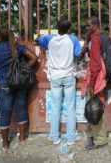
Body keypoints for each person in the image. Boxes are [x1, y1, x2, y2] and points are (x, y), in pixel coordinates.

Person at [0, 29, 38, 149]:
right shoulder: (18, 48)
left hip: (4, 84)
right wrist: (23, 68)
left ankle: (5, 143)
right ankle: (22, 138)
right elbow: (34, 58)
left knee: (5, 113)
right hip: (19, 83)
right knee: (21, 109)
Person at [36, 19, 82, 147]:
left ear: (57, 28)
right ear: (69, 29)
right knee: (70, 107)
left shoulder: (49, 39)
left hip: (55, 76)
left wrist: (39, 37)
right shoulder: (73, 39)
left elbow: (37, 40)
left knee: (55, 107)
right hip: (68, 75)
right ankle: (71, 137)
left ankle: (54, 136)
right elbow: (78, 55)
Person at [83, 16, 109, 150]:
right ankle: (101, 135)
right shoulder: (103, 37)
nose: (86, 28)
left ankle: (100, 140)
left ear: (95, 26)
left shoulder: (95, 39)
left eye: (88, 26)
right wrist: (86, 40)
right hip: (103, 77)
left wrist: (92, 84)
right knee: (99, 105)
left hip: (96, 78)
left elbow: (95, 65)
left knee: (94, 108)